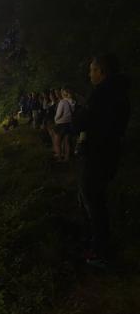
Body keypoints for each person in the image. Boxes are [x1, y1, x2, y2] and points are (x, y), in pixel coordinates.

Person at [76, 54, 130, 268]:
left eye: (92, 70)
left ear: (101, 71)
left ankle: (100, 251)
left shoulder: (102, 94)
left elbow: (83, 120)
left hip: (97, 154)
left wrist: (80, 117)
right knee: (96, 199)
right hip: (110, 152)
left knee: (93, 201)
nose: (90, 74)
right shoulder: (121, 94)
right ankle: (97, 244)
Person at [53, 87, 75, 162]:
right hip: (68, 124)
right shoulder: (72, 102)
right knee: (67, 142)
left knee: (57, 142)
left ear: (63, 93)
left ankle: (59, 157)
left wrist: (55, 119)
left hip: (60, 124)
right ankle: (67, 158)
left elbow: (59, 114)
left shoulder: (62, 102)